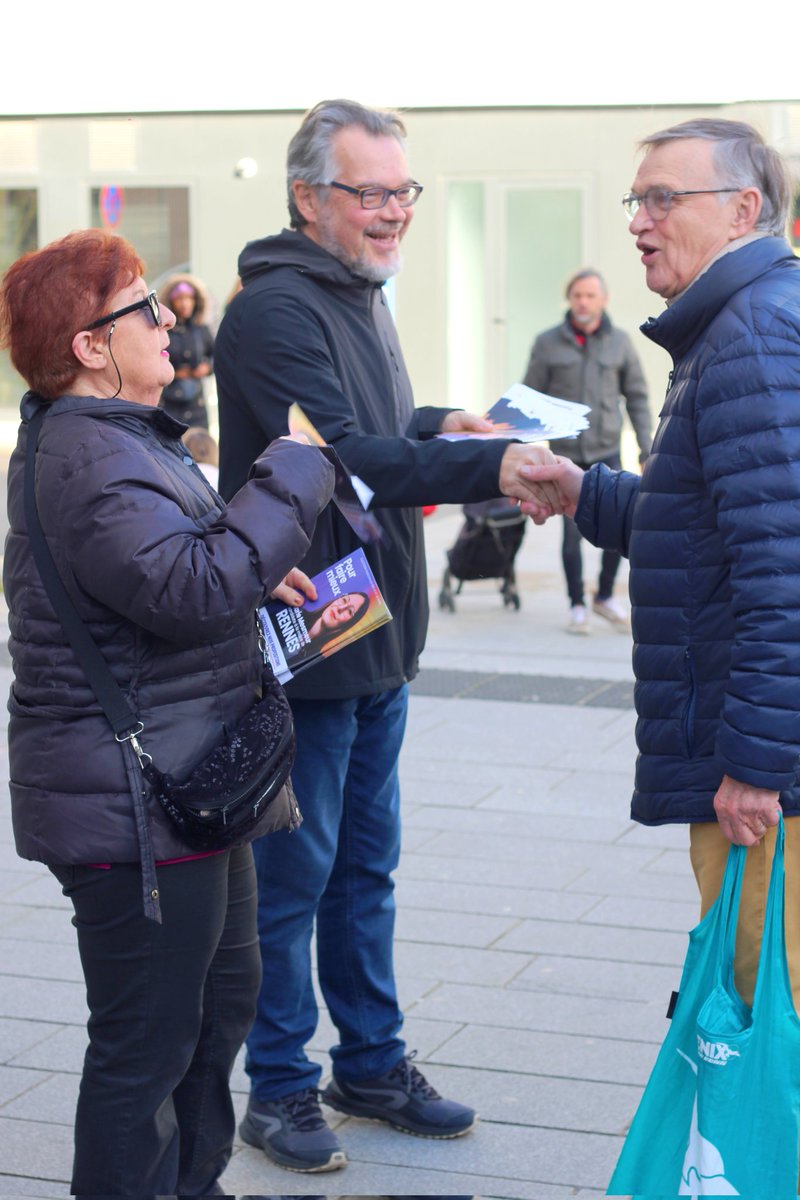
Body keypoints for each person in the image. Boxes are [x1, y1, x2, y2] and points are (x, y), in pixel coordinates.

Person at [215, 98, 556, 1174]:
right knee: (297, 879)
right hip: (313, 642)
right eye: (370, 193)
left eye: (404, 192)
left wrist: (444, 422)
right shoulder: (275, 310)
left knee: (367, 870)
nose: (394, 212)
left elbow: (367, 428)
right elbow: (347, 458)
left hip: (376, 641)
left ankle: (370, 1063)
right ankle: (277, 1087)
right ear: (309, 198)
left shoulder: (357, 294)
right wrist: (490, 465)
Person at [0, 229, 334, 1196]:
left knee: (221, 1003)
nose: (167, 320)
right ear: (89, 347)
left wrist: (254, 574)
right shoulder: (89, 454)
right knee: (145, 1043)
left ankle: (193, 1183)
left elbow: (169, 577)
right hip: (132, 800)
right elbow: (189, 590)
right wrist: (293, 476)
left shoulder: (116, 440)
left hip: (188, 782)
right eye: (141, 306)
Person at [522, 118, 800, 1015]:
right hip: (756, 758)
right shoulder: (730, 329)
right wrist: (584, 492)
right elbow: (711, 526)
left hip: (768, 782)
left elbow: (784, 572)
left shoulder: (751, 338)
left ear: (743, 210)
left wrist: (760, 767)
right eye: (636, 199)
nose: (639, 220)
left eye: (663, 198)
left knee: (771, 1024)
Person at [523, 269, 651, 635]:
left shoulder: (621, 343)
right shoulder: (547, 343)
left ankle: (605, 596)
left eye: (590, 296)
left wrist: (646, 448)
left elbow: (638, 398)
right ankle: (577, 603)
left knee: (619, 522)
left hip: (607, 450)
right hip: (565, 455)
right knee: (571, 535)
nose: (583, 302)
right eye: (577, 295)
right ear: (569, 299)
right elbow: (531, 398)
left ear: (603, 300)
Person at [159, 273, 215, 427]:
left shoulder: (201, 329)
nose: (185, 303)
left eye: (189, 298)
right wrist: (173, 373)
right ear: (170, 302)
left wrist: (207, 368)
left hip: (197, 404)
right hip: (169, 404)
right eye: (179, 298)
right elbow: (151, 360)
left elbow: (217, 355)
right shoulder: (163, 332)